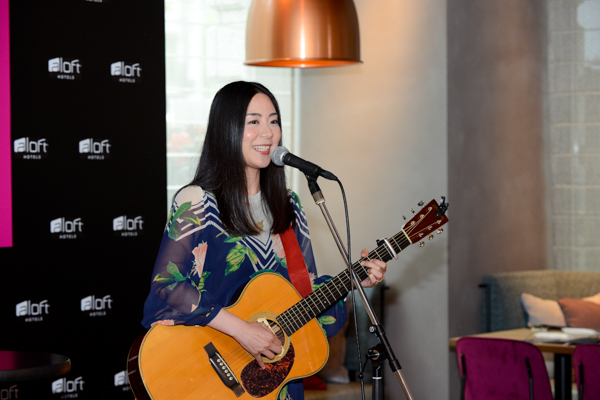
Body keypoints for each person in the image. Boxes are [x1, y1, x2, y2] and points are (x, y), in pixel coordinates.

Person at [141, 81, 387, 400]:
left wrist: (353, 280)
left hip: (276, 384)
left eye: (273, 121)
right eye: (253, 121)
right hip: (207, 375)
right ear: (225, 129)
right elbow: (167, 284)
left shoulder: (289, 205)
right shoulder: (198, 201)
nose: (268, 133)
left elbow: (303, 296)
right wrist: (243, 331)